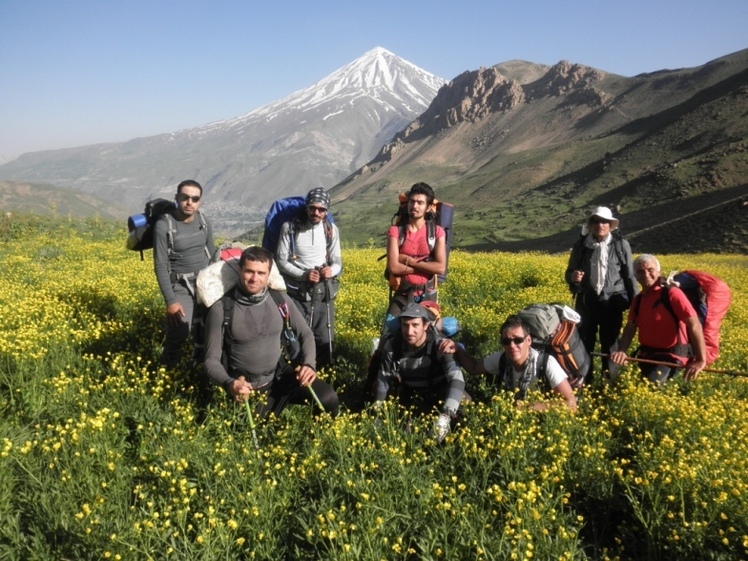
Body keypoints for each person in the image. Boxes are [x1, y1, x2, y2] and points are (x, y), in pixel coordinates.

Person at [203, 246, 339, 417]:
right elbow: (210, 360)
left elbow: (305, 333)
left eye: (261, 273)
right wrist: (230, 384)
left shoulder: (279, 299)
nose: (254, 278)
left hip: (280, 377)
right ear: (240, 270)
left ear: (269, 274)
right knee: (258, 432)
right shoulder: (222, 309)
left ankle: (318, 438)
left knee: (328, 398)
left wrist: (309, 364)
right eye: (249, 272)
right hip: (246, 387)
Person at [373, 303, 467, 442]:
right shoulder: (393, 346)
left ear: (425, 325)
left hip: (439, 394)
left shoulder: (440, 345)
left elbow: (457, 379)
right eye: (405, 325)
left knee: (466, 407)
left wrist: (445, 416)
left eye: (415, 325)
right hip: (412, 396)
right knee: (407, 434)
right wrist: (378, 412)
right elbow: (383, 380)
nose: (409, 331)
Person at [441, 315, 577, 411]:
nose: (512, 346)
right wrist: (457, 348)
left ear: (529, 340)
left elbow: (571, 404)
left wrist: (529, 408)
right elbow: (474, 367)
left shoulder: (546, 363)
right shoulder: (502, 358)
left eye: (518, 340)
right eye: (506, 341)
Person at [609, 254, 706, 384]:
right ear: (635, 277)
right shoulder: (638, 300)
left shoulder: (672, 294)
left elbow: (694, 325)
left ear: (659, 272)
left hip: (671, 357)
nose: (646, 274)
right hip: (647, 355)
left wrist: (700, 360)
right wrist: (622, 350)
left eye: (650, 270)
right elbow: (631, 327)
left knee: (648, 385)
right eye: (640, 272)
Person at [565, 206, 636, 382]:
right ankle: (585, 381)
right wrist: (573, 277)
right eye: (596, 221)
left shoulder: (621, 245)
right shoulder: (581, 246)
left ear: (610, 225)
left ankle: (609, 383)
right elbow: (569, 272)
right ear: (591, 225)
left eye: (604, 221)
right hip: (586, 303)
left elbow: (629, 276)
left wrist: (636, 305)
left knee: (611, 344)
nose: (600, 225)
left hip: (612, 303)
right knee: (584, 343)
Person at [275, 188, 342, 369]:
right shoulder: (289, 228)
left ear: (326, 211)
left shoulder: (331, 230)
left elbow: (337, 261)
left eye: (321, 209)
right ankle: (297, 372)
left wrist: (331, 271)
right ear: (306, 208)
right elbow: (281, 261)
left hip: (323, 292)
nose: (316, 213)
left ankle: (322, 372)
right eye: (313, 208)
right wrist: (304, 275)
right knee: (297, 335)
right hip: (297, 293)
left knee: (324, 335)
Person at [153, 179, 216, 368]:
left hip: (205, 282)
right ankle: (167, 371)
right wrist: (171, 301)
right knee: (179, 331)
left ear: (200, 201)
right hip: (180, 285)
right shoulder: (164, 226)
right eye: (185, 197)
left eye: (195, 199)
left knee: (210, 328)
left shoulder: (204, 221)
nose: (190, 202)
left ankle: (201, 367)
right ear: (177, 198)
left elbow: (212, 255)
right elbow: (160, 266)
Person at [385, 182, 447, 316]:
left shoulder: (437, 232)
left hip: (428, 296)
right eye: (412, 201)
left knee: (427, 334)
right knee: (389, 333)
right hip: (402, 294)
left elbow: (440, 268)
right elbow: (394, 268)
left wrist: (408, 261)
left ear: (429, 207)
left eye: (420, 202)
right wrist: (426, 266)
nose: (414, 206)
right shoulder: (395, 232)